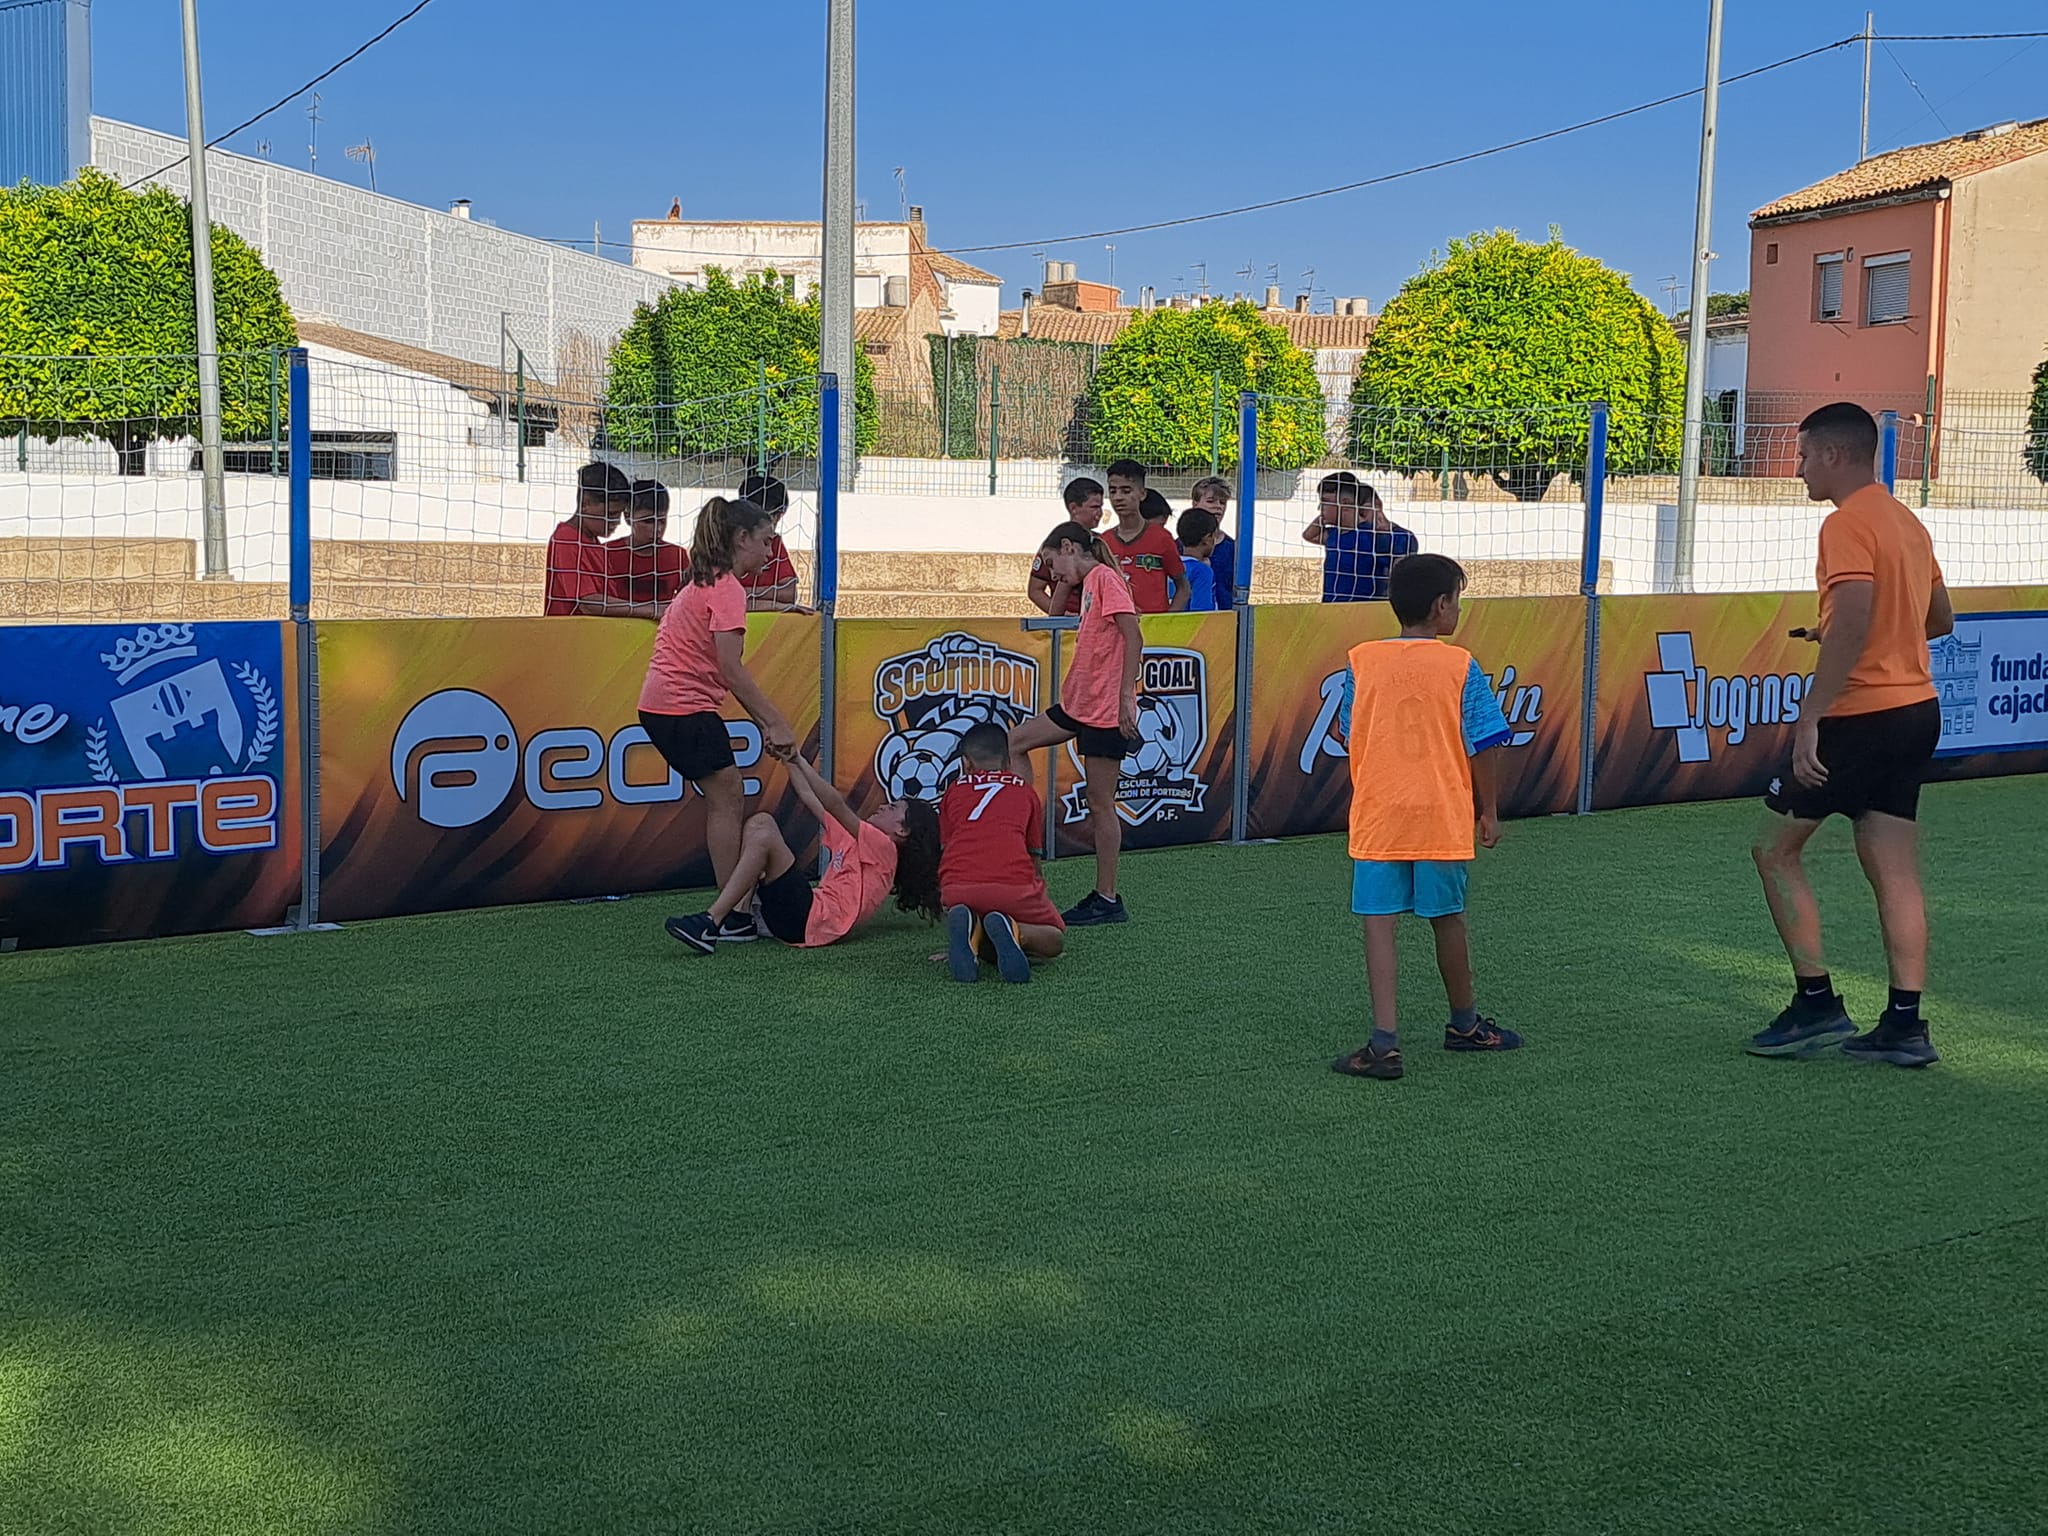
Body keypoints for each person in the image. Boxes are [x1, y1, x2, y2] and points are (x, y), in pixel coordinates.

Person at [1746, 402, 1953, 1069]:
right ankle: (1905, 1025)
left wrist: (1811, 715)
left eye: (1804, 455)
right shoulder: (1906, 522)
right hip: (1917, 711)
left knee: (1774, 852)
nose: (1798, 469)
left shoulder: (1845, 523)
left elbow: (1859, 618)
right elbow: (1938, 619)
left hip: (1861, 716)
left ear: (1834, 455)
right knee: (1894, 868)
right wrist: (1834, 631)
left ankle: (1816, 1004)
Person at [1330, 553, 1521, 1082]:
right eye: (1457, 601)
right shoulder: (1460, 664)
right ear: (1441, 606)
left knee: (1379, 924)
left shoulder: (1362, 660)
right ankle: (1464, 1024)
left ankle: (1384, 1043)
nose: (1458, 610)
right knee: (1448, 918)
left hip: (1378, 814)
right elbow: (1486, 741)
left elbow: (1346, 731)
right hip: (1441, 812)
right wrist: (1488, 810)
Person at [637, 496, 798, 942]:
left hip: (668, 707)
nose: (770, 552)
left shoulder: (709, 580)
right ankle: (734, 915)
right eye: (765, 541)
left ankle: (735, 909)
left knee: (726, 797)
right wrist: (774, 721)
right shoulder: (726, 588)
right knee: (728, 798)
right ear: (741, 538)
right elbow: (731, 669)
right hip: (680, 707)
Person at [663, 751, 942, 953]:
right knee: (759, 827)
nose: (882, 806)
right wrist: (787, 757)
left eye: (893, 808)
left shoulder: (886, 849)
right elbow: (810, 798)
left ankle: (712, 920)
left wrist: (796, 757)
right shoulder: (858, 839)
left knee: (763, 828)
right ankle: (739, 918)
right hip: (803, 916)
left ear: (902, 830)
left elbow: (834, 803)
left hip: (810, 921)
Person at [1006, 521, 1143, 926]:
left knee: (1101, 805)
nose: (1052, 576)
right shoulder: (1088, 584)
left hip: (1104, 711)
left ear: (1069, 547)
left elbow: (1134, 637)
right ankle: (1025, 835)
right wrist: (1066, 579)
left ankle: (1107, 897)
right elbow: (1053, 614)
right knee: (1014, 742)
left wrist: (1125, 698)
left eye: (1053, 564)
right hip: (1079, 705)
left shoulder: (1105, 579)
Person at [938, 721, 1065, 983]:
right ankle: (1015, 930)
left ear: (966, 763)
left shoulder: (953, 791)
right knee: (1053, 939)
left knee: (980, 916)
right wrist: (1038, 891)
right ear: (1008, 762)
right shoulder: (1025, 792)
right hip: (1011, 888)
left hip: (957, 891)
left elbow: (947, 848)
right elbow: (1033, 855)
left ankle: (973, 933)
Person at [545, 461, 646, 616]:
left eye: (619, 514)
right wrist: (650, 609)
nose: (617, 522)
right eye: (611, 514)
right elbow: (589, 604)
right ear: (585, 504)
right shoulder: (566, 539)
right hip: (571, 630)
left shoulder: (593, 541)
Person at [1303, 471, 1416, 604]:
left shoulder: (1373, 536)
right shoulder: (1333, 535)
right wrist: (1323, 516)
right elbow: (1308, 535)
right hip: (1331, 609)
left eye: (1325, 502)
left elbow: (1399, 566)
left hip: (1363, 610)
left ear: (1345, 504)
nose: (1320, 508)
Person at [1103, 459, 1189, 614]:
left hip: (1154, 625)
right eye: (1113, 491)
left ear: (1142, 494)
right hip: (1115, 625)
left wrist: (1167, 620)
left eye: (1126, 491)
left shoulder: (1162, 538)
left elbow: (1183, 587)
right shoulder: (1104, 541)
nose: (1118, 497)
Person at [1029, 477, 1106, 616]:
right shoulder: (1055, 545)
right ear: (1073, 508)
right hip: (1068, 623)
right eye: (1094, 507)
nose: (1100, 513)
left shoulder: (1102, 542)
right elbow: (1035, 590)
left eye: (1101, 507)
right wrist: (1063, 615)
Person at [608, 479, 688, 607]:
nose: (658, 529)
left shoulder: (678, 556)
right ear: (628, 517)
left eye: (662, 521)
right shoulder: (607, 554)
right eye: (648, 521)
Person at [736, 471, 808, 613]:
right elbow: (723, 599)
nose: (769, 552)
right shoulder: (721, 545)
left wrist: (747, 593)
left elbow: (790, 594)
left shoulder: (774, 544)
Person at [1189, 475, 1238, 608]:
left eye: (1222, 502)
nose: (1218, 506)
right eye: (1211, 501)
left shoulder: (1233, 548)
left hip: (1225, 615)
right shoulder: (1179, 546)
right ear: (1195, 504)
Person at [1175, 508, 1222, 613]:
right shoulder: (1202, 572)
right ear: (1207, 538)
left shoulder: (1169, 567)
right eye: (1214, 536)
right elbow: (1201, 612)